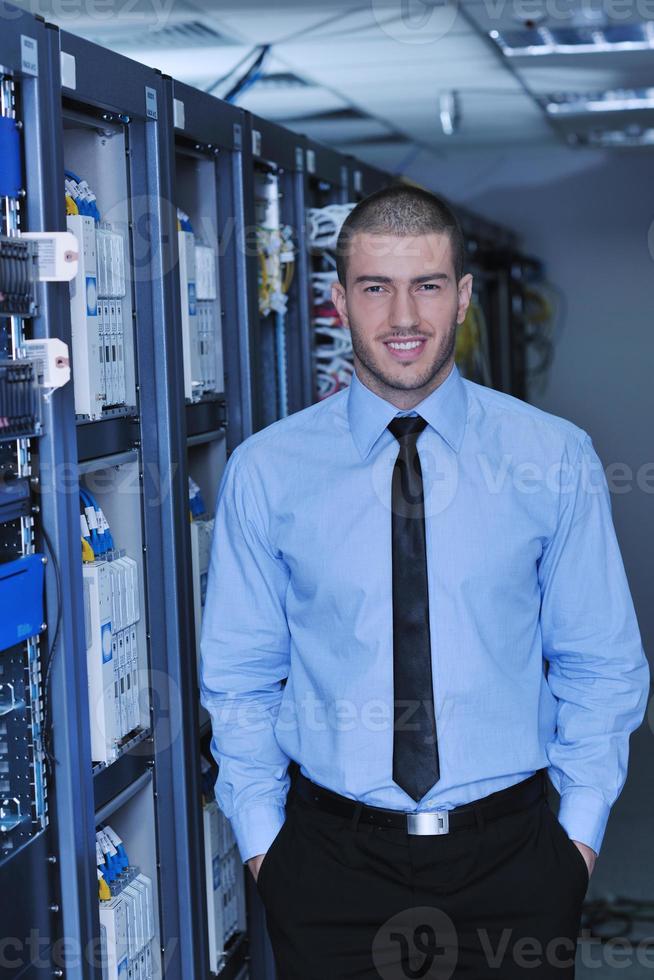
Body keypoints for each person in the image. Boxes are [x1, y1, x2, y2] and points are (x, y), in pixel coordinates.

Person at [199, 184, 649, 979]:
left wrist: (574, 844)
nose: (404, 317)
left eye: (428, 286)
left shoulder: (553, 457)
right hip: (328, 869)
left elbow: (601, 663)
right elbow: (239, 676)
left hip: (514, 866)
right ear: (339, 301)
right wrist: (266, 847)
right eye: (376, 287)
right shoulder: (266, 473)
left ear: (464, 297)